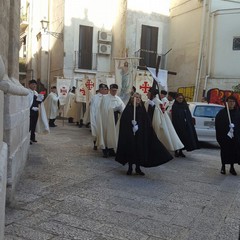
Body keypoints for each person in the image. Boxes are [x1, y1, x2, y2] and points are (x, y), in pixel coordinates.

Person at [115, 92, 173, 176]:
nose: (137, 99)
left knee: (139, 151)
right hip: (130, 136)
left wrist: (139, 127)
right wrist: (131, 126)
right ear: (132, 99)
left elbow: (146, 122)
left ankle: (138, 168)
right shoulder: (128, 109)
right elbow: (123, 122)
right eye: (135, 97)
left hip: (140, 135)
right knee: (131, 151)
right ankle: (130, 168)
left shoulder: (142, 110)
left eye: (139, 98)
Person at [145, 88, 184, 152]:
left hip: (157, 122)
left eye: (148, 94)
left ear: (153, 95)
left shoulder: (159, 102)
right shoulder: (147, 102)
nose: (147, 95)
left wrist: (153, 106)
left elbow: (162, 112)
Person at [96, 84, 125, 158]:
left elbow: (123, 107)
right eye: (113, 90)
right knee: (106, 133)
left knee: (113, 133)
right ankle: (105, 150)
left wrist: (120, 109)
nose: (114, 92)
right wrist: (112, 109)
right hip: (106, 119)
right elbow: (103, 109)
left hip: (115, 118)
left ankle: (112, 149)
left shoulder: (118, 98)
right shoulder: (105, 98)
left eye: (115, 90)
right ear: (110, 90)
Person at [215, 96, 240, 175]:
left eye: (233, 101)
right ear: (227, 103)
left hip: (235, 137)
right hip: (225, 137)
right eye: (229, 101)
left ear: (235, 103)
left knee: (233, 152)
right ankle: (223, 167)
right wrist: (227, 128)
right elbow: (218, 124)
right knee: (225, 151)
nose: (231, 103)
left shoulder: (238, 112)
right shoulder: (222, 113)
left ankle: (232, 167)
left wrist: (235, 128)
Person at [171, 93, 199, 157]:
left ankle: (181, 151)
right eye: (179, 98)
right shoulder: (175, 106)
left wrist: (188, 123)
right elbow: (174, 116)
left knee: (183, 138)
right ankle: (176, 151)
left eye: (181, 98)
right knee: (177, 138)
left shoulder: (184, 105)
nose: (180, 100)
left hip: (184, 125)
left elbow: (188, 115)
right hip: (177, 125)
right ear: (176, 98)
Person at [90, 83, 109, 150]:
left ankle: (104, 147)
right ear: (101, 89)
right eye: (105, 89)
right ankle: (95, 143)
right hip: (97, 117)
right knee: (96, 130)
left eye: (107, 89)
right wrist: (93, 117)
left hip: (105, 118)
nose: (107, 91)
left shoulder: (108, 97)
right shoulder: (95, 97)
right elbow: (93, 108)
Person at [28, 79, 44, 144]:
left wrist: (41, 99)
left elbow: (38, 101)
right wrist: (31, 108)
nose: (34, 85)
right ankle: (28, 139)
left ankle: (32, 137)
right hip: (30, 111)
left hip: (35, 111)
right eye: (33, 84)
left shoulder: (36, 93)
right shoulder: (27, 92)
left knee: (34, 125)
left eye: (35, 84)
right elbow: (27, 102)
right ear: (29, 85)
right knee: (29, 125)